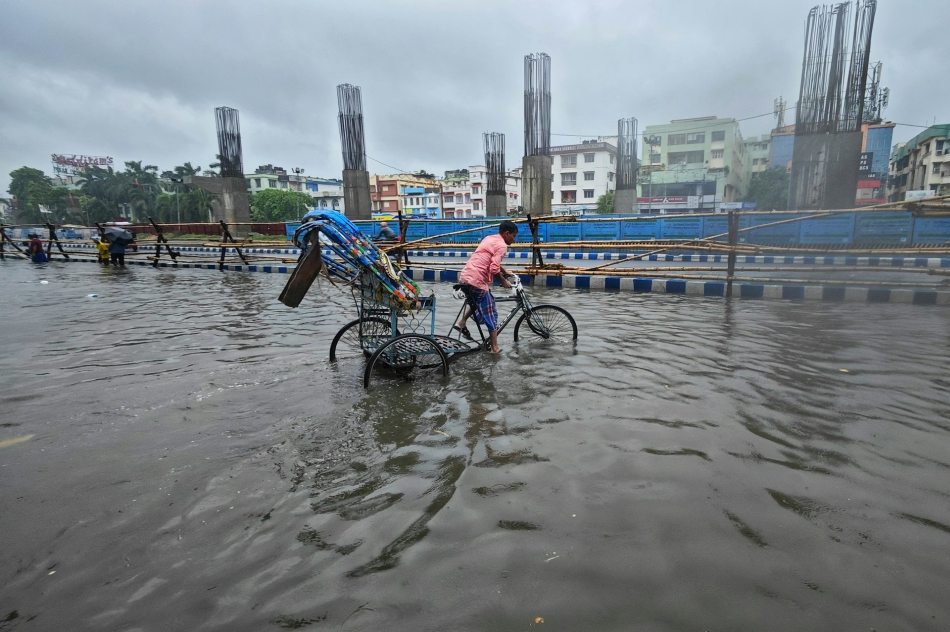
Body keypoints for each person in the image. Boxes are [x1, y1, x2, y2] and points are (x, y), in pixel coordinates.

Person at [453, 220, 518, 354]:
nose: (514, 239)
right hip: (477, 279)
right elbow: (494, 268)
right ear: (507, 233)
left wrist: (505, 272)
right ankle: (495, 348)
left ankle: (461, 322)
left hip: (466, 275)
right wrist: (503, 281)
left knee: (480, 301)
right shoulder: (502, 246)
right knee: (490, 313)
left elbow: (489, 259)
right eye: (513, 236)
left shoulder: (490, 238)